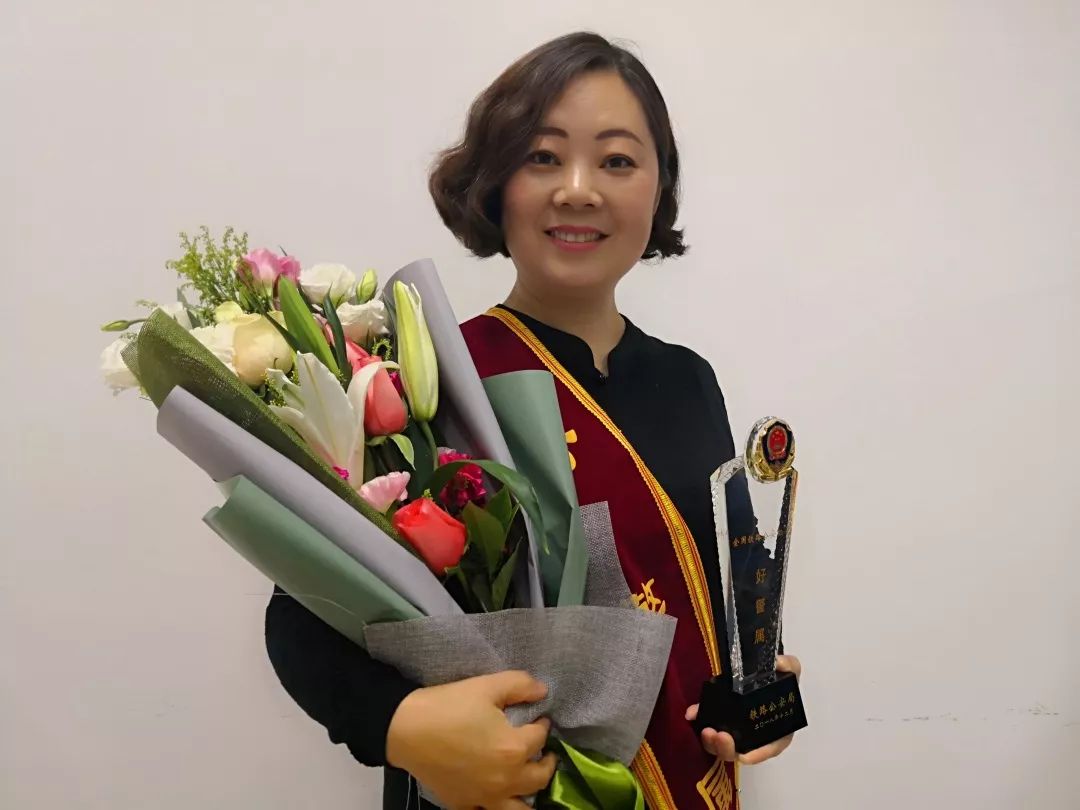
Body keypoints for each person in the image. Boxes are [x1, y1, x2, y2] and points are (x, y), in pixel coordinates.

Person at [265, 32, 802, 810]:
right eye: (544, 157)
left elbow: (729, 587)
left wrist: (760, 685)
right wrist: (401, 725)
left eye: (617, 161)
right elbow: (302, 614)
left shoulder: (690, 382)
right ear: (495, 184)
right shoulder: (427, 386)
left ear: (658, 188)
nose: (578, 190)